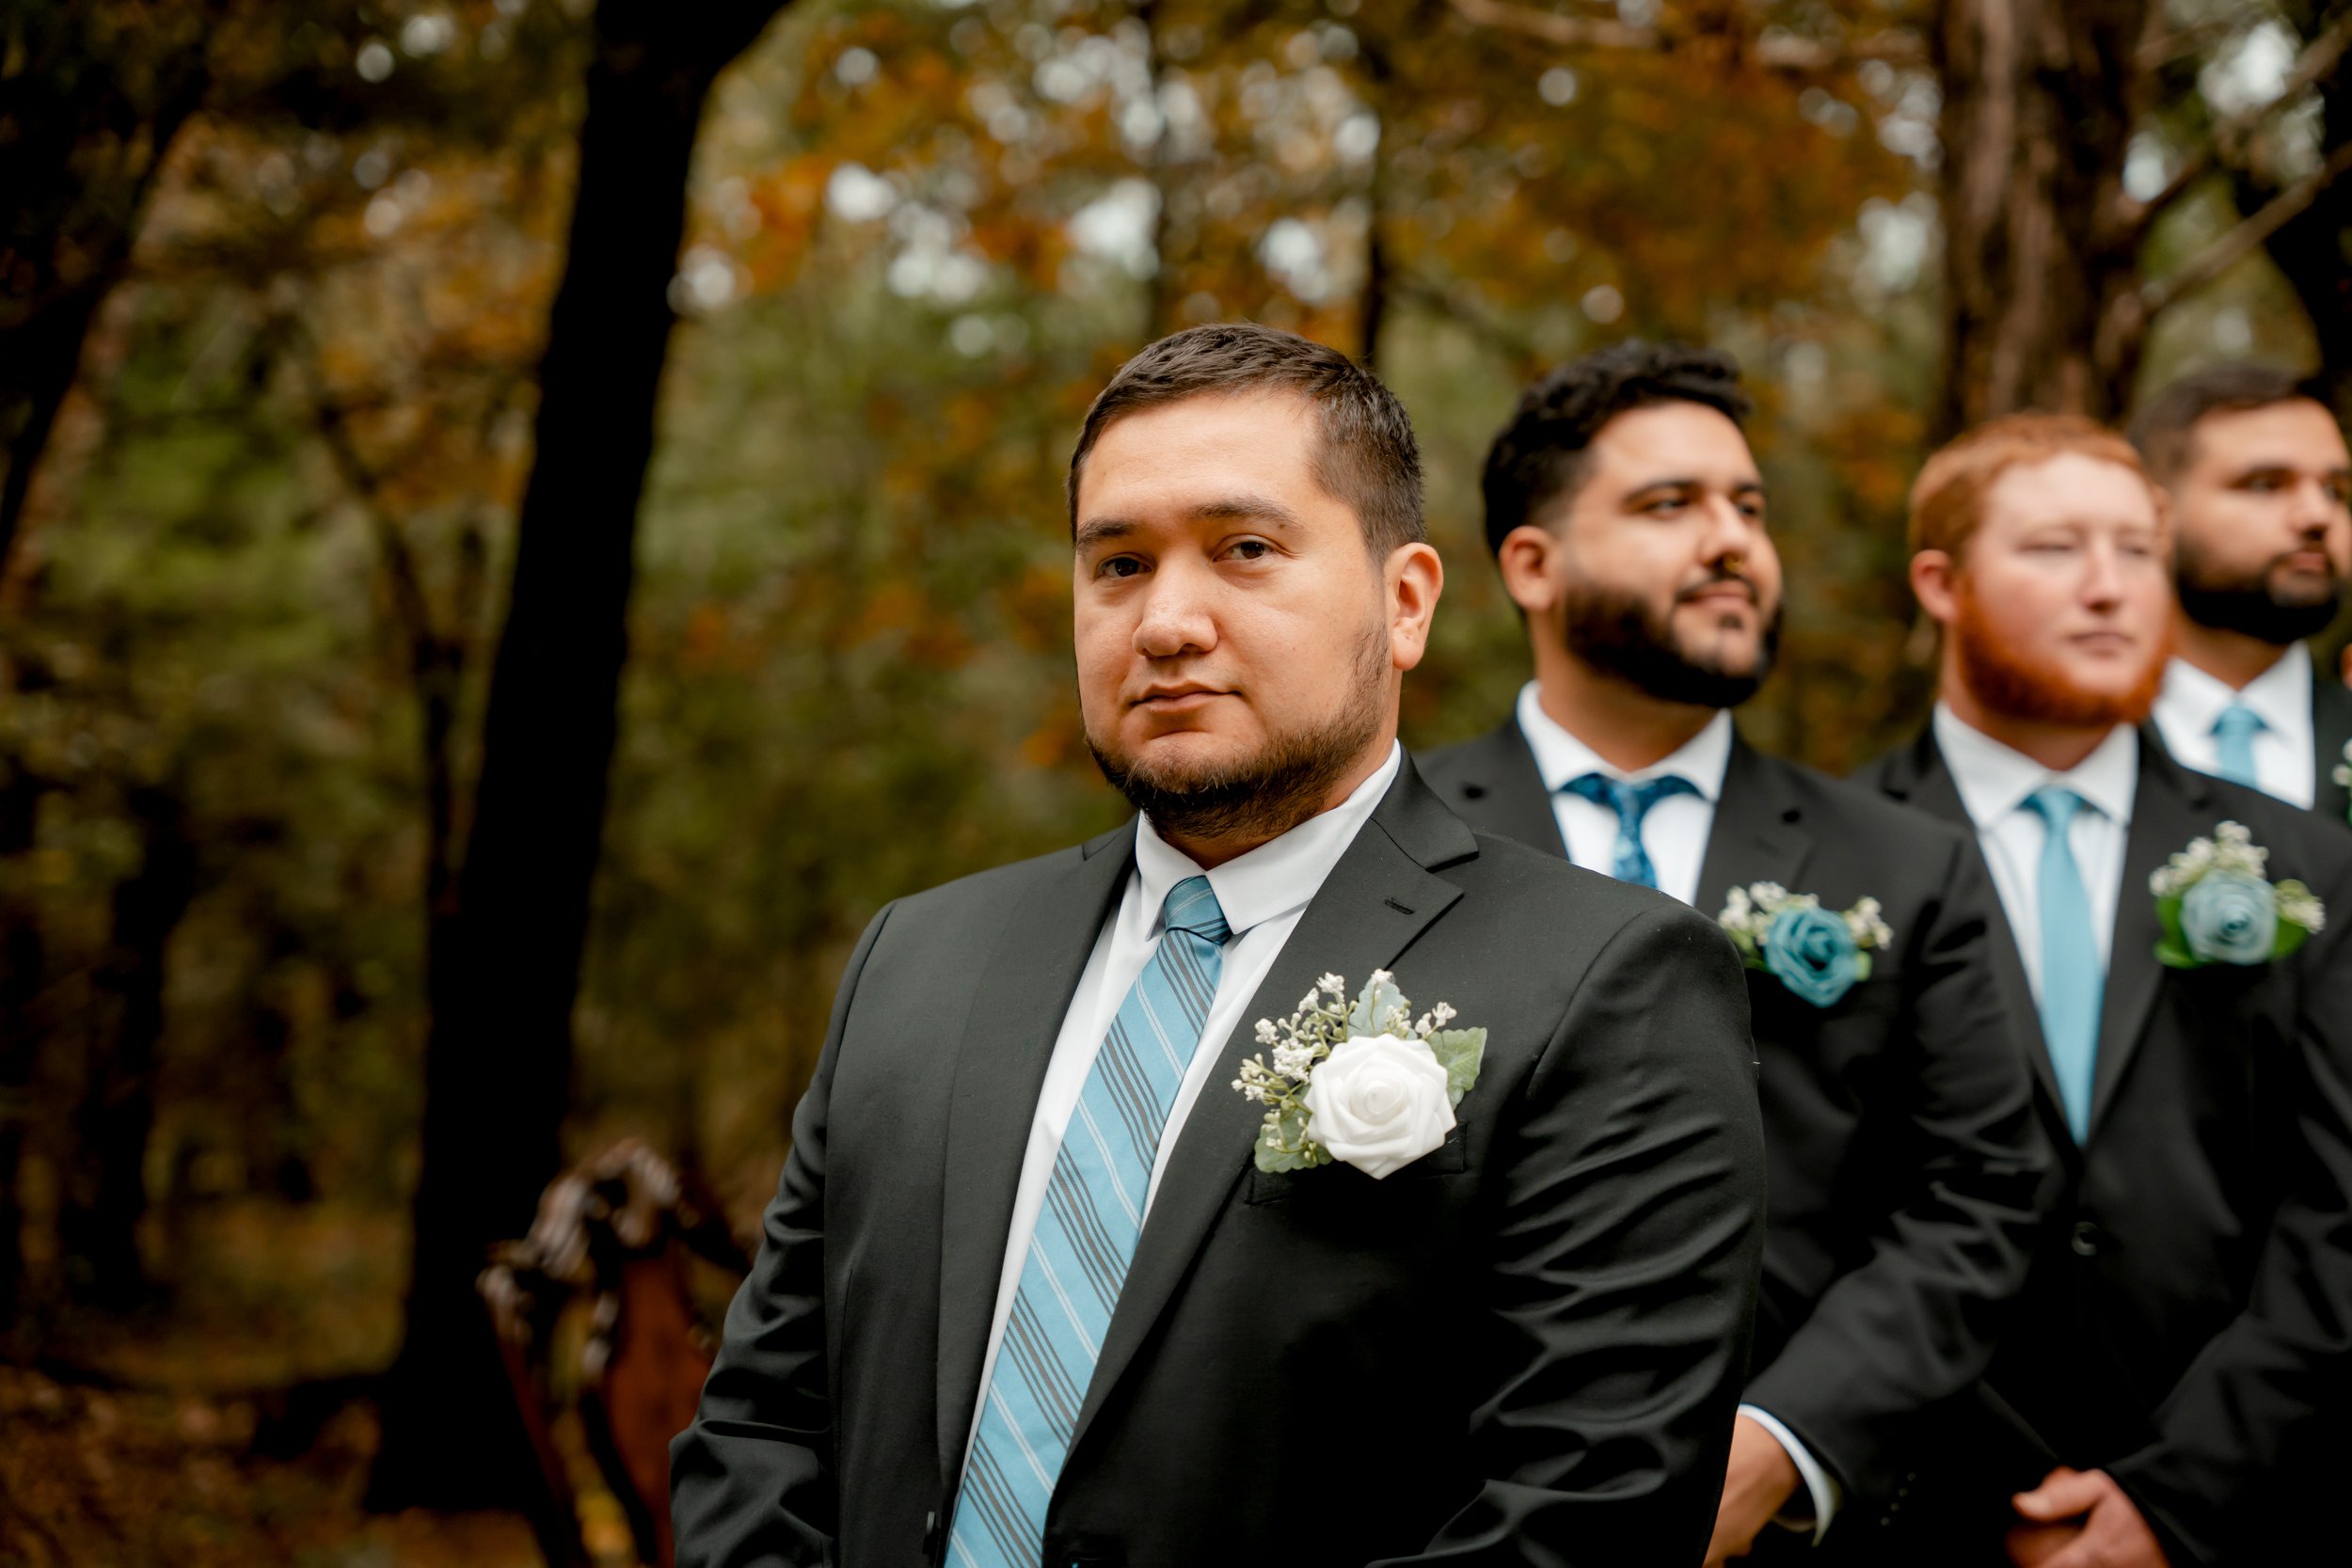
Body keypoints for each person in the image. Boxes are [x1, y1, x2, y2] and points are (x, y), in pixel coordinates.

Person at [669, 324, 1769, 1568]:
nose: (1166, 622)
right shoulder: (916, 958)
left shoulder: (1610, 983)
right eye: (1118, 564)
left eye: (1244, 550)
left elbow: (1583, 1516)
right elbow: (762, 1424)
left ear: (1405, 602)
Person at [1419, 343, 2049, 1564]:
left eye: (1748, 508)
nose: (1732, 542)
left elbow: (1981, 1193)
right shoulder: (1389, 844)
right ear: (1532, 565)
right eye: (1670, 504)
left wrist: (1784, 1442)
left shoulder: (1908, 866)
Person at [1864, 414, 2352, 1567]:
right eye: (2054, 548)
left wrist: (2172, 1493)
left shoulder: (2312, 865)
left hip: (2248, 1510)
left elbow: (2337, 1208)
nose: (2109, 586)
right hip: (1931, 1512)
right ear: (1939, 583)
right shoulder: (1838, 864)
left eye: (2138, 550)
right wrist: (1995, 1492)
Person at [2130, 366, 2352, 820]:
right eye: (2265, 484)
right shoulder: (2069, 741)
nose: (2318, 515)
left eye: (2335, 491)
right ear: (2154, 515)